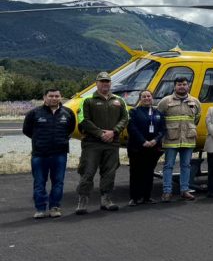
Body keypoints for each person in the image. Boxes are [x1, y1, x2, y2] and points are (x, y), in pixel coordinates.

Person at [76, 72, 129, 214]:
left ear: (110, 83)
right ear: (97, 83)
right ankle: (83, 200)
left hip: (112, 143)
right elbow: (83, 120)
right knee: (87, 172)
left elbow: (125, 118)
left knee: (110, 172)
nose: (105, 84)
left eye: (107, 81)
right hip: (92, 143)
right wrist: (100, 133)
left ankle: (106, 199)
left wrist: (114, 132)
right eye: (102, 81)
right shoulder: (87, 100)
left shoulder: (118, 100)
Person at [23, 88, 76, 219]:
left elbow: (70, 130)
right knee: (39, 182)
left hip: (60, 154)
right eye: (51, 96)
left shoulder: (68, 113)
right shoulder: (34, 113)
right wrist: (39, 141)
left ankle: (54, 207)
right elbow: (27, 130)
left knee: (58, 182)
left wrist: (61, 141)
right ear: (44, 98)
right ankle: (40, 209)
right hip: (40, 155)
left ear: (60, 97)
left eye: (57, 96)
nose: (54, 98)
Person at [157, 76, 202, 202]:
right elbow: (158, 117)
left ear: (188, 86)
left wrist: (190, 129)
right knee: (168, 166)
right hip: (171, 139)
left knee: (186, 165)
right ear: (174, 86)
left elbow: (197, 118)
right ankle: (167, 192)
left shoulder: (195, 101)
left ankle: (184, 190)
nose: (182, 86)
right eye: (179, 84)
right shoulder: (166, 101)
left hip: (188, 138)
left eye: (184, 84)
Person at [126, 90, 165, 206]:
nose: (147, 98)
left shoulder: (157, 113)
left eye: (149, 96)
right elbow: (132, 128)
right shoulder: (134, 112)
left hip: (153, 148)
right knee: (136, 173)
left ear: (152, 98)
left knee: (149, 173)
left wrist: (155, 140)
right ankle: (134, 197)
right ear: (140, 99)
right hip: (137, 148)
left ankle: (147, 197)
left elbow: (162, 130)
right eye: (144, 97)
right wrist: (143, 141)